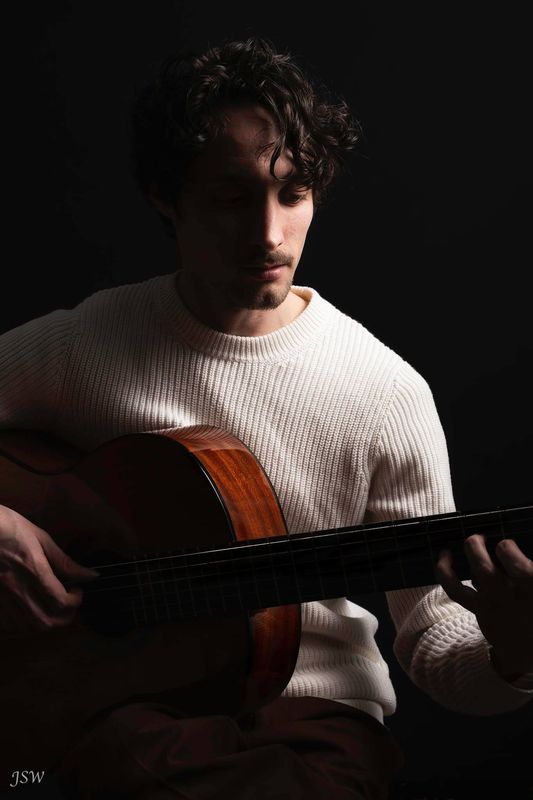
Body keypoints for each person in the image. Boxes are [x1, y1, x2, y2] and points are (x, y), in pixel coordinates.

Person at [0, 36, 532, 800]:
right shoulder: (86, 343)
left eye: (292, 192)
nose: (268, 234)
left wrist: (515, 653)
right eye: (231, 197)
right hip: (126, 706)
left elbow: (435, 640)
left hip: (310, 723)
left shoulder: (382, 391)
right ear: (165, 197)